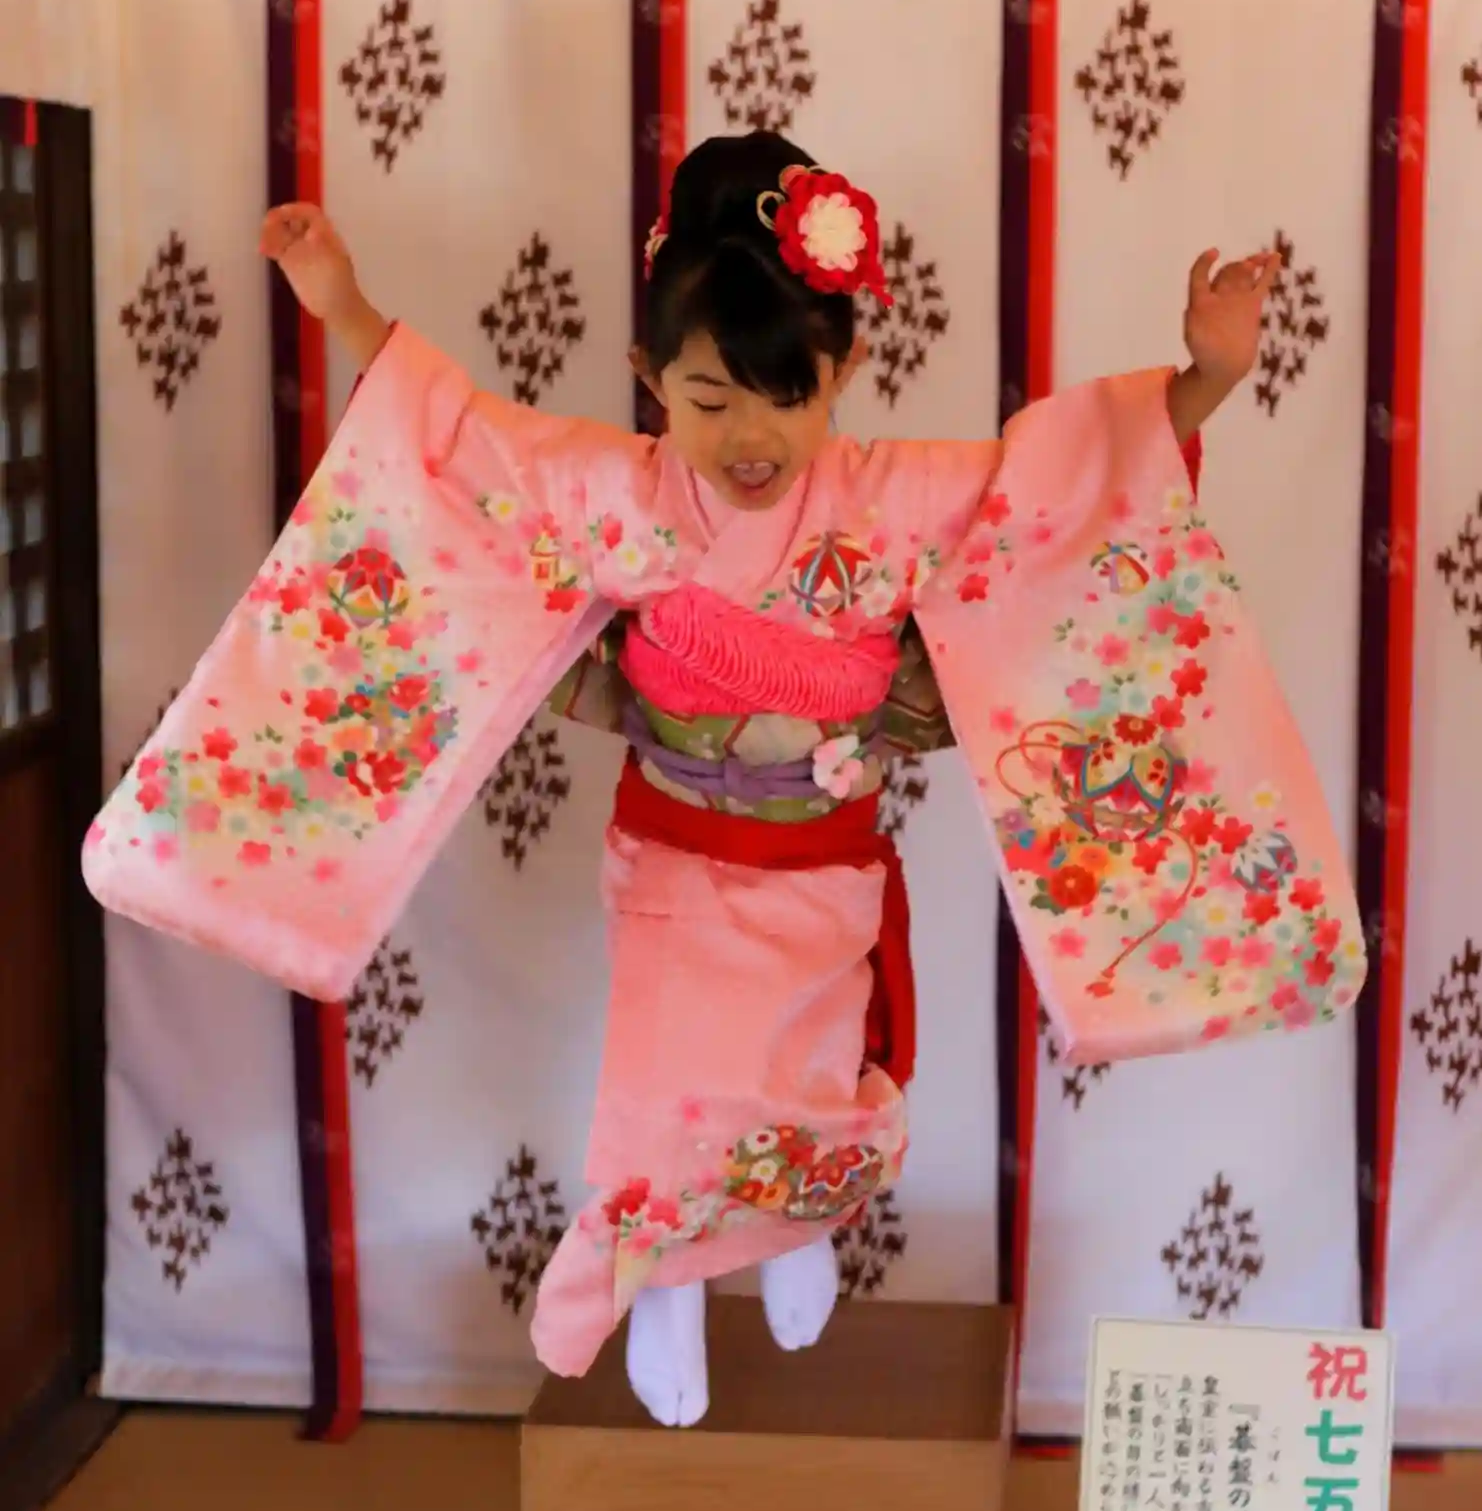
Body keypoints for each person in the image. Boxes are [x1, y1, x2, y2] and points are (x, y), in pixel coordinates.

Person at [86, 131, 1364, 1428]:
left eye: (786, 397)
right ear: (649, 378)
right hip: (677, 862)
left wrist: (1206, 377)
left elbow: (1069, 491)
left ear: (843, 370)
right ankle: (664, 1284)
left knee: (809, 1081)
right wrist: (344, 305)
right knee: (669, 1087)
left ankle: (785, 1232)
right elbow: (459, 448)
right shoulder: (618, 491)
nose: (750, 437)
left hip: (824, 865)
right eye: (708, 400)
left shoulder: (892, 498)